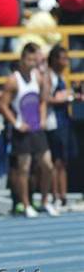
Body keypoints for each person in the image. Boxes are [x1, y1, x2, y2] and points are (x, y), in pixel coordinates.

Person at [0, 43, 58, 218]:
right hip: (22, 130)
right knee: (24, 168)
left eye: (35, 59)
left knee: (47, 165)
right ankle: (26, 204)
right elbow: (2, 105)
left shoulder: (37, 76)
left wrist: (42, 117)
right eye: (29, 59)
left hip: (36, 128)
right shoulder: (13, 80)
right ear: (22, 59)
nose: (32, 63)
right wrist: (16, 123)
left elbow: (43, 100)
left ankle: (45, 201)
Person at [45, 45, 78, 210]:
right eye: (63, 58)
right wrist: (65, 98)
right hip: (54, 122)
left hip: (64, 121)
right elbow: (46, 99)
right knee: (56, 161)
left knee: (63, 161)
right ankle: (55, 195)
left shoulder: (60, 76)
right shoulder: (49, 77)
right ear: (55, 59)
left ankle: (62, 196)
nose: (66, 62)